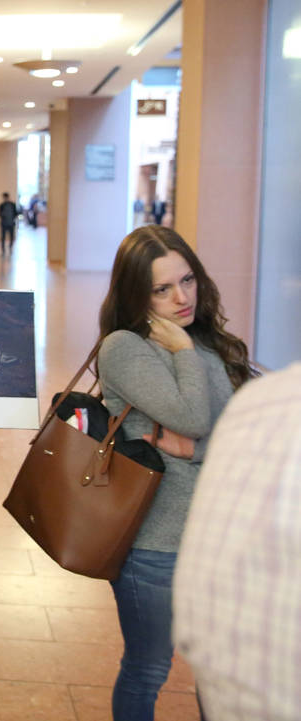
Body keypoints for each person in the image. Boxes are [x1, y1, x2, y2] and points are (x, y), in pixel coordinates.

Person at [95, 224, 254, 721]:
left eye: (187, 281)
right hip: (156, 544)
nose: (181, 297)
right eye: (162, 289)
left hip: (220, 540)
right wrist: (182, 355)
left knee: (220, 670)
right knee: (148, 670)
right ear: (137, 293)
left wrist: (193, 447)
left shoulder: (210, 342)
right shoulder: (125, 347)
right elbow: (193, 418)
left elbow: (248, 432)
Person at [172, 362, 299, 721]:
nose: (181, 300)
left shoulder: (264, 399)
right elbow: (195, 420)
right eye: (162, 297)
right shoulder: (274, 403)